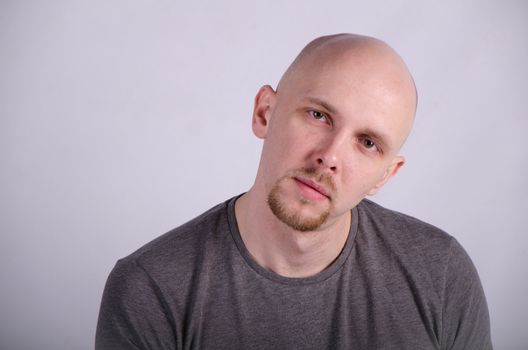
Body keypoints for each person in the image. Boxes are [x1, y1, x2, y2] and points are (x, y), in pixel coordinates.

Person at [96, 33, 492, 349]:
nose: (329, 157)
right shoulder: (151, 289)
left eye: (367, 142)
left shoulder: (440, 274)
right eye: (319, 116)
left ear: (385, 176)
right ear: (264, 112)